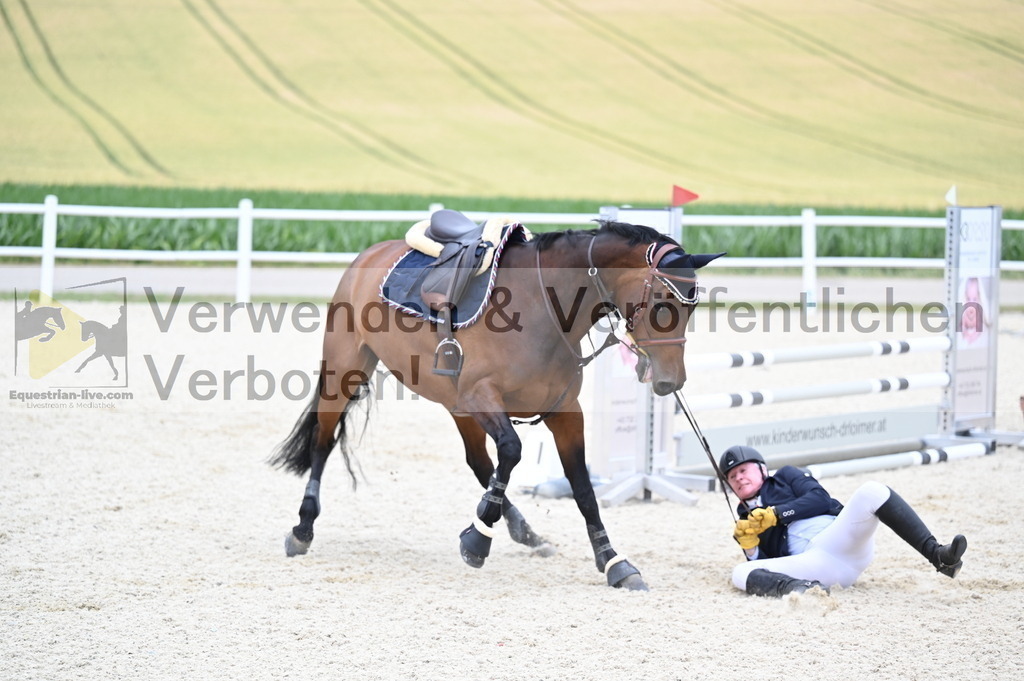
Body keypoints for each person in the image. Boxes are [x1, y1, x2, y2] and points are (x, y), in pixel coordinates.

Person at [719, 445, 968, 597]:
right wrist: (751, 550)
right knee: (740, 572)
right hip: (814, 565)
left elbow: (820, 498)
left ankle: (939, 556)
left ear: (762, 469)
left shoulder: (786, 475)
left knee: (871, 490)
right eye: (732, 477)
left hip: (840, 538)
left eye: (743, 470)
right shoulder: (744, 523)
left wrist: (777, 513)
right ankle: (805, 590)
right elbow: (769, 567)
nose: (738, 478)